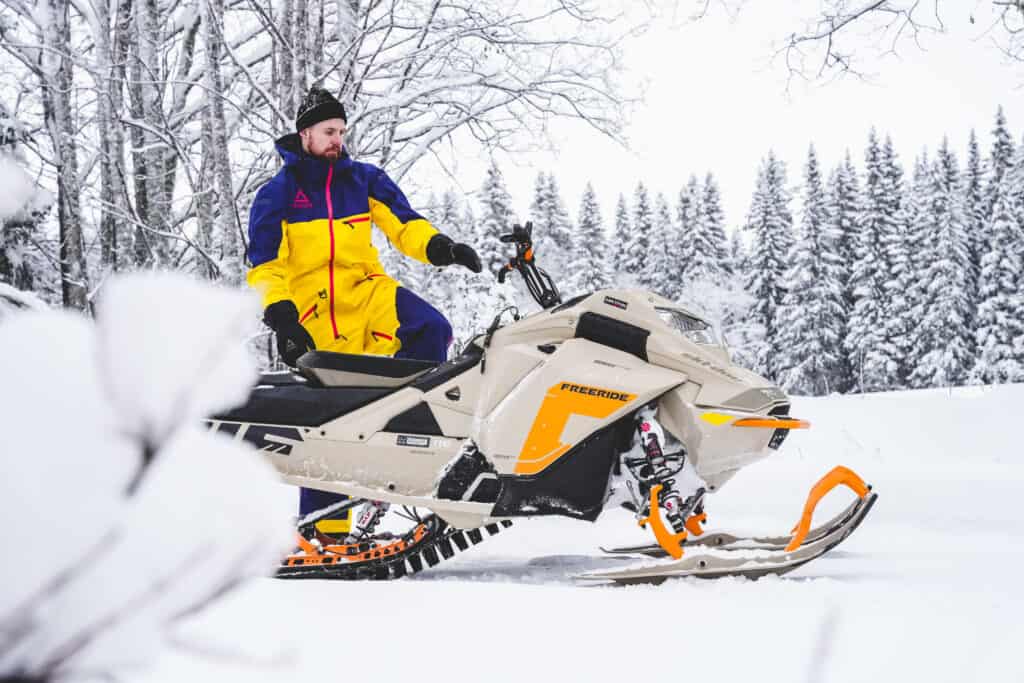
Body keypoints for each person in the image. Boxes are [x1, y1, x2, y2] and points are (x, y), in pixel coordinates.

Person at [247, 86, 481, 540]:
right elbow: (265, 266)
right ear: (305, 134)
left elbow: (405, 225)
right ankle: (326, 536)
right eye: (329, 131)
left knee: (430, 328)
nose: (338, 139)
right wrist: (282, 317)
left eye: (342, 131)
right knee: (327, 425)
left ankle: (406, 438)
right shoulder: (277, 194)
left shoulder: (364, 180)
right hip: (314, 314)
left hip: (367, 294)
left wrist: (442, 248)